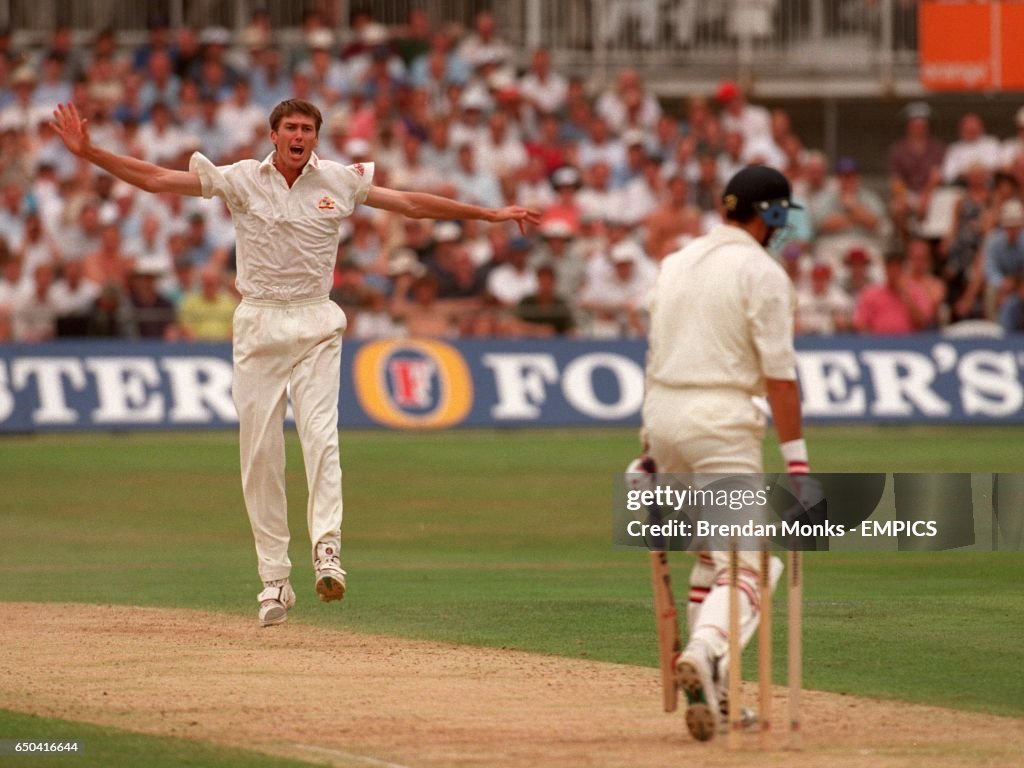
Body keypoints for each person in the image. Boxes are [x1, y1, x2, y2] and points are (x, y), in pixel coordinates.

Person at [51, 99, 538, 627]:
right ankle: (274, 582)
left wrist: (487, 214)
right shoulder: (241, 178)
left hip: (315, 320)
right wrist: (90, 152)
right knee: (260, 454)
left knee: (320, 436)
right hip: (258, 321)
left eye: (308, 129)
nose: (299, 135)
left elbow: (411, 205)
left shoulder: (338, 180)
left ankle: (327, 551)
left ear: (316, 137)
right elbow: (155, 179)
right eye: (291, 128)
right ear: (274, 134)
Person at [638, 165, 811, 741]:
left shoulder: (675, 261)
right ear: (771, 215)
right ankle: (708, 651)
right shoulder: (763, 273)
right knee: (758, 563)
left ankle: (719, 695)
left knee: (714, 562)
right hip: (721, 426)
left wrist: (647, 443)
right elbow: (780, 381)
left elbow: (658, 349)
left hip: (662, 419)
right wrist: (800, 467)